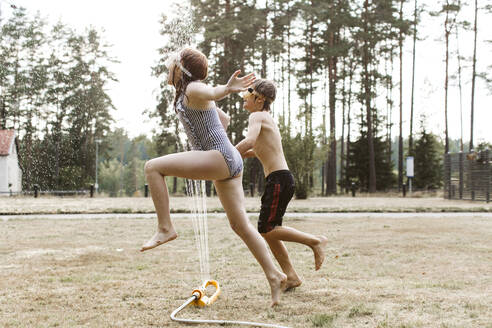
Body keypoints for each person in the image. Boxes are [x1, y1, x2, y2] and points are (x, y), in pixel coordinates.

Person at [140, 48, 286, 306]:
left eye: (172, 63)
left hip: (220, 156)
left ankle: (165, 228)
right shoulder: (189, 94)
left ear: (181, 70)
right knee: (241, 226)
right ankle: (275, 276)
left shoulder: (193, 88)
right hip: (228, 159)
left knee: (153, 167)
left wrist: (227, 88)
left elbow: (211, 93)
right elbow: (224, 118)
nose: (168, 66)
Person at [235, 79, 328, 291]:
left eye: (248, 93)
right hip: (280, 179)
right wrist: (239, 155)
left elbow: (249, 142)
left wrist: (225, 153)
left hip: (278, 179)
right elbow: (255, 150)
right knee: (269, 230)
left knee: (266, 229)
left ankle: (315, 241)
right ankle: (292, 277)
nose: (244, 97)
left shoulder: (256, 116)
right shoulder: (265, 117)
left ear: (259, 99)